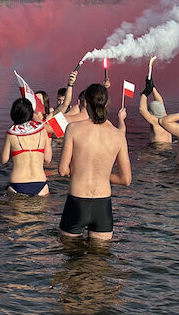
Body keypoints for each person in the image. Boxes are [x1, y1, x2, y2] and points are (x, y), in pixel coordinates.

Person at [58, 83, 131, 240]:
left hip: (77, 201)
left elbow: (63, 170)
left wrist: (80, 170)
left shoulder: (73, 129)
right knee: (100, 261)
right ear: (106, 103)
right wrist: (104, 174)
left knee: (70, 258)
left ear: (85, 103)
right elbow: (126, 180)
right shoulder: (118, 135)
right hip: (102, 205)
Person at [0, 98, 53, 196]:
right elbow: (48, 159)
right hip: (40, 184)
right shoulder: (42, 131)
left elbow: (4, 160)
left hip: (18, 184)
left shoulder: (11, 134)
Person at [138, 57, 172, 144]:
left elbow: (142, 110)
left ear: (151, 113)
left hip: (156, 151)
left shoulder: (156, 122)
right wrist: (152, 87)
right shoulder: (167, 118)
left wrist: (145, 93)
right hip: (169, 148)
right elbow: (160, 101)